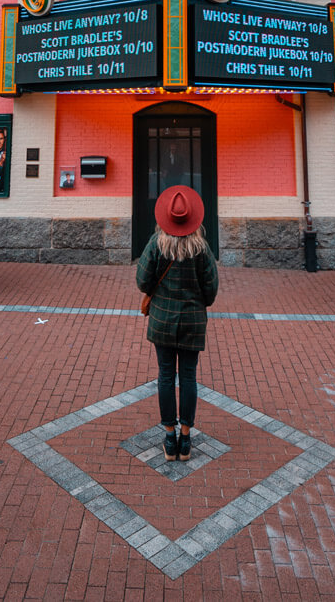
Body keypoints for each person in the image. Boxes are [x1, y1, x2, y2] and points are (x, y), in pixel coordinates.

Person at [136, 185, 219, 462]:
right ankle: (186, 440)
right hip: (192, 322)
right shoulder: (202, 249)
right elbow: (211, 292)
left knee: (165, 376)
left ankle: (169, 439)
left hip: (162, 321)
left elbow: (143, 281)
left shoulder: (156, 245)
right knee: (189, 377)